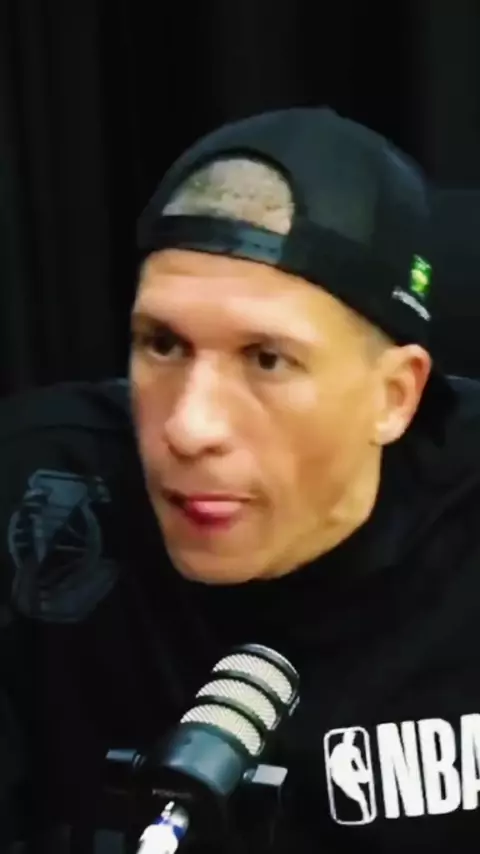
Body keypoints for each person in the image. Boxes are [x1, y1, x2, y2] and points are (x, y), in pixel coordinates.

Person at [2, 106, 480, 854]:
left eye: (266, 360)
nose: (190, 428)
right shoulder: (39, 495)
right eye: (163, 344)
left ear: (395, 397)